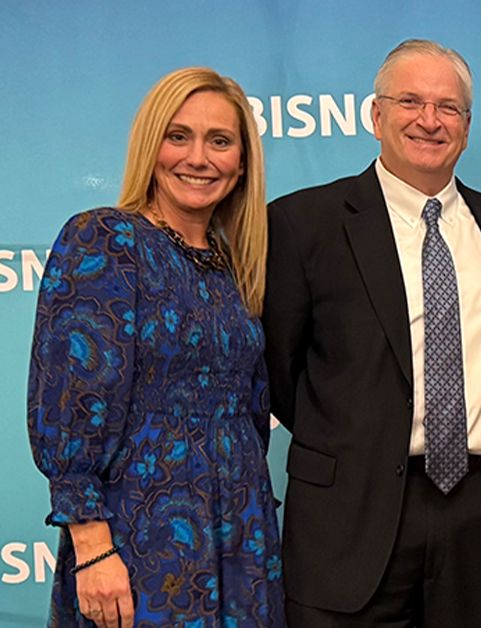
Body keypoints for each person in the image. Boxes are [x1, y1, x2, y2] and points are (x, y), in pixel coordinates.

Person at [263, 39, 481, 626]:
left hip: (480, 508)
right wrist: (357, 436)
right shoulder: (301, 223)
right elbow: (280, 374)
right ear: (375, 114)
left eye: (448, 107)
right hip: (349, 513)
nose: (429, 120)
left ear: (467, 126)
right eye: (410, 100)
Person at [27, 67, 282, 627]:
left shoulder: (232, 265)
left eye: (220, 141)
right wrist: (92, 545)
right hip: (140, 538)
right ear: (151, 146)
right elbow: (71, 401)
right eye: (178, 136)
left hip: (242, 536)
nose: (198, 157)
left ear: (241, 162)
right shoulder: (106, 240)